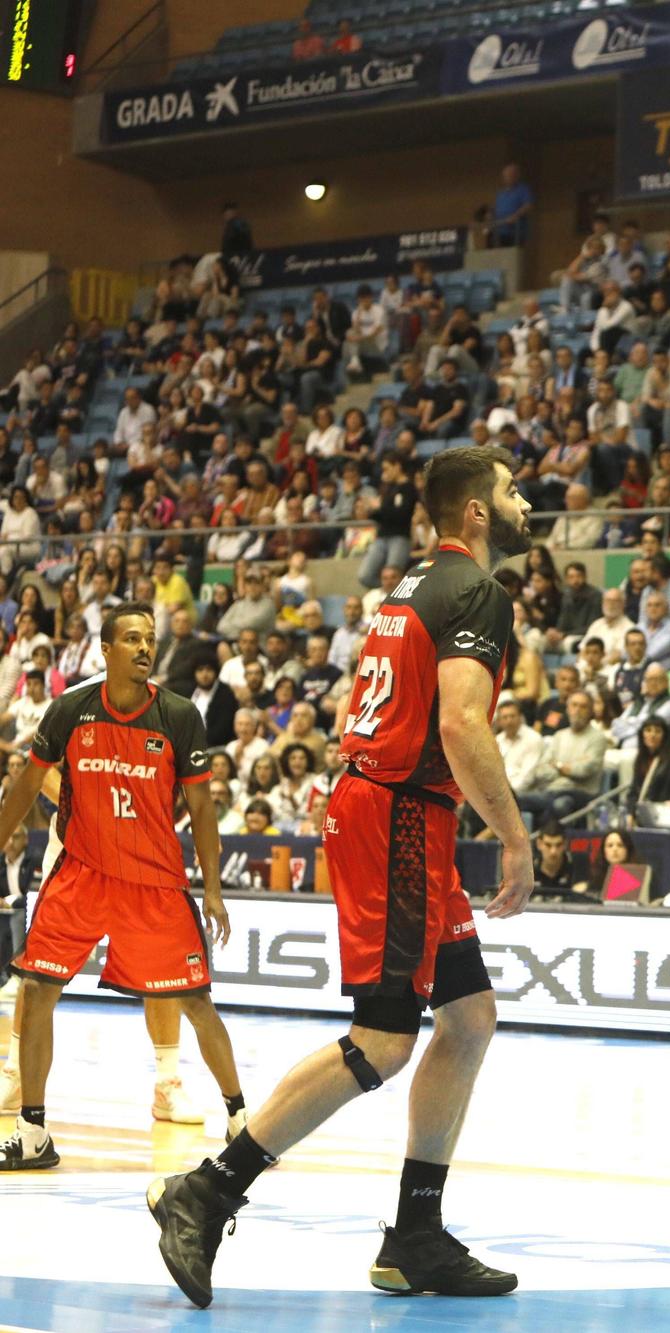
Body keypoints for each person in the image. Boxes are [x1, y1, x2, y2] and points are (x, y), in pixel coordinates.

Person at [148, 447, 534, 1308]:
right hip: (397, 814)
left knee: (468, 1018)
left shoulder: (408, 591)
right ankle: (208, 1188)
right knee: (386, 1038)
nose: (524, 499)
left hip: (398, 810)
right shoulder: (477, 592)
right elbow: (463, 723)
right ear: (475, 512)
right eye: (510, 489)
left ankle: (416, 1235)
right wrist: (515, 836)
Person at [0, 612, 245, 1173]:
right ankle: (32, 1131)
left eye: (150, 641)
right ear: (105, 648)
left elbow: (203, 809)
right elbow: (26, 787)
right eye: (131, 639)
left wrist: (212, 888)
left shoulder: (179, 716)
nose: (143, 648)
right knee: (37, 989)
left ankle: (240, 1118)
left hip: (154, 882)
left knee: (195, 1001)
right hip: (81, 873)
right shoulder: (69, 711)